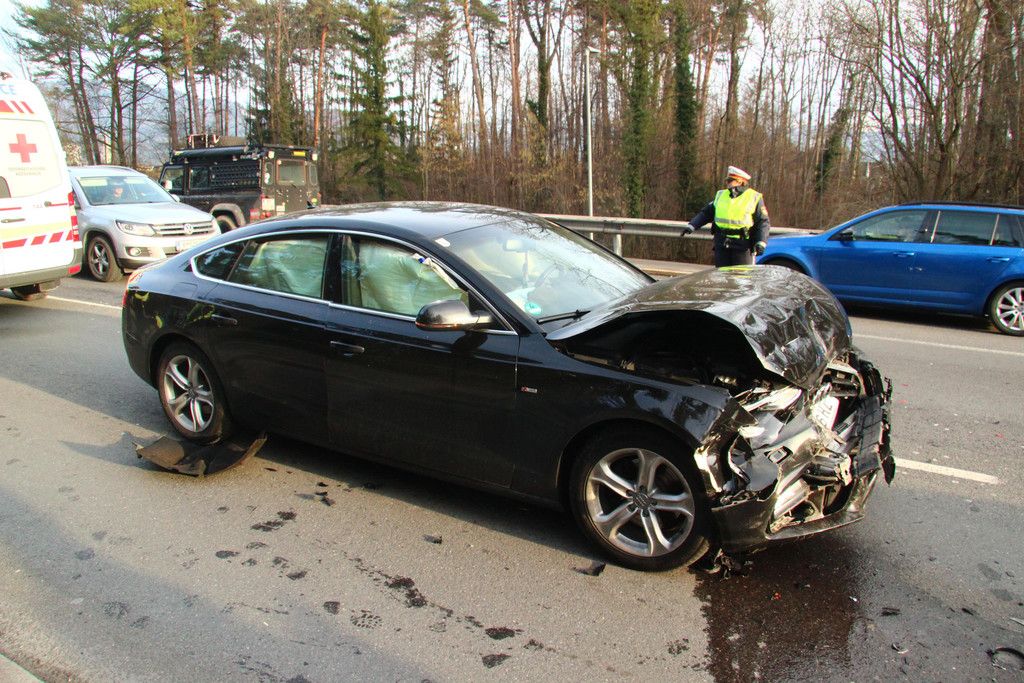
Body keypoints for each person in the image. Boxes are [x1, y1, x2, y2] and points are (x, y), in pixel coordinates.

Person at [684, 166, 770, 268]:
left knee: (741, 276)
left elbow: (763, 222)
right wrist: (692, 225)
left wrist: (761, 242)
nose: (727, 183)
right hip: (722, 243)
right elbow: (706, 213)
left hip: (743, 245)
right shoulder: (721, 195)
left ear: (740, 181)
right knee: (722, 274)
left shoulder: (754, 197)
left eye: (730, 180)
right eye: (727, 180)